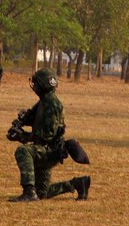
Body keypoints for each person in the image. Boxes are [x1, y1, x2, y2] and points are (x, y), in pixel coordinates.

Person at [7, 68, 90, 202]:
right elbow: (30, 116)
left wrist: (23, 137)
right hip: (45, 149)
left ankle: (29, 192)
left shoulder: (53, 104)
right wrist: (19, 124)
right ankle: (78, 184)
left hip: (50, 150)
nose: (34, 86)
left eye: (37, 83)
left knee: (23, 151)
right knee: (42, 193)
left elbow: (47, 135)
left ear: (43, 85)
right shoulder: (44, 101)